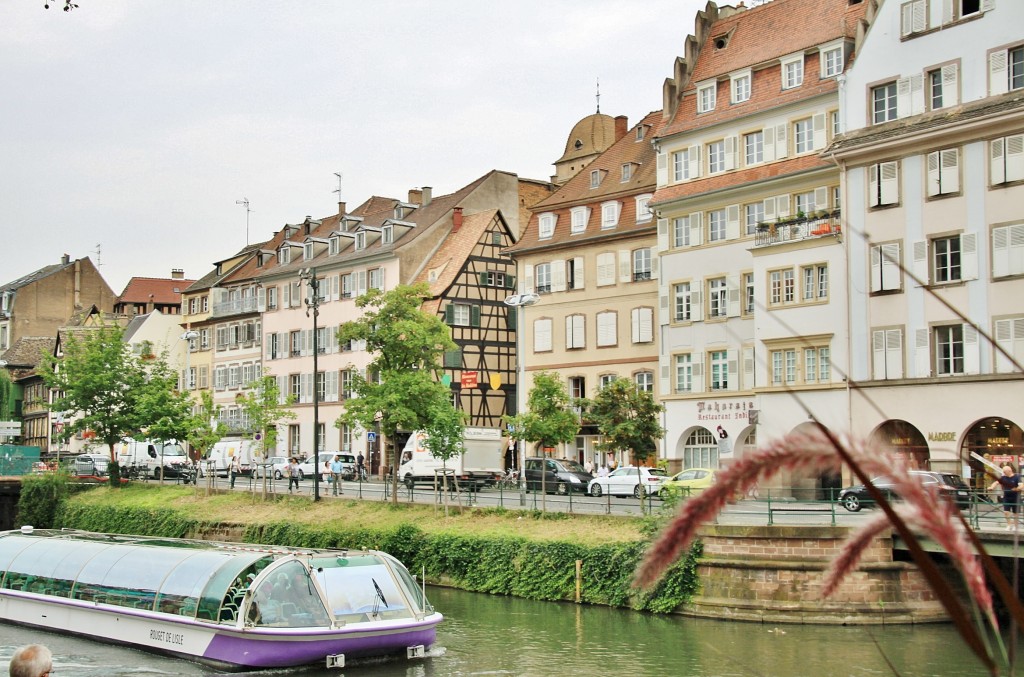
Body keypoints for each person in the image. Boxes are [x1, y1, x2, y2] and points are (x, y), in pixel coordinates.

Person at [989, 463, 1022, 530]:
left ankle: (1015, 526)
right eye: (1003, 472)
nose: (1003, 473)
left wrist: (1017, 489)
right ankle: (1009, 525)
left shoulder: (1016, 477)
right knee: (1006, 512)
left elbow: (1021, 485)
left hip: (1016, 497)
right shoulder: (1003, 477)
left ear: (1009, 471)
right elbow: (996, 482)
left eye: (1004, 472)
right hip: (1007, 497)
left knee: (1016, 513)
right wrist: (991, 487)